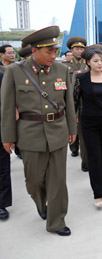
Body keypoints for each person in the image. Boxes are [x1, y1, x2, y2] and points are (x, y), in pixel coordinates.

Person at [1, 26, 77, 236]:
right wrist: (7, 137)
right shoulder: (14, 72)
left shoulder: (62, 70)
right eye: (49, 51)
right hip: (30, 134)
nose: (54, 55)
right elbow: (7, 108)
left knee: (58, 181)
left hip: (58, 131)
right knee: (34, 181)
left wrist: (72, 128)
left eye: (55, 51)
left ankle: (56, 220)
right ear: (34, 51)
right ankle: (41, 203)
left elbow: (68, 103)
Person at [74, 47, 102, 208]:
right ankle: (98, 194)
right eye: (96, 61)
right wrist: (73, 123)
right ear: (87, 63)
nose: (100, 63)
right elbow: (75, 102)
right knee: (94, 155)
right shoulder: (81, 79)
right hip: (89, 122)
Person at [62, 36, 88, 171]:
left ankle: (86, 162)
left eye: (81, 48)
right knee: (72, 126)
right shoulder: (65, 66)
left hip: (84, 102)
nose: (79, 51)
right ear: (71, 50)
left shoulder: (88, 64)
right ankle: (73, 147)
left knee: (83, 131)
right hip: (70, 102)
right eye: (77, 48)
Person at [0, 71, 12, 220]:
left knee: (2, 167)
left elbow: (8, 104)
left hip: (1, 127)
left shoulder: (2, 76)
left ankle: (2, 203)